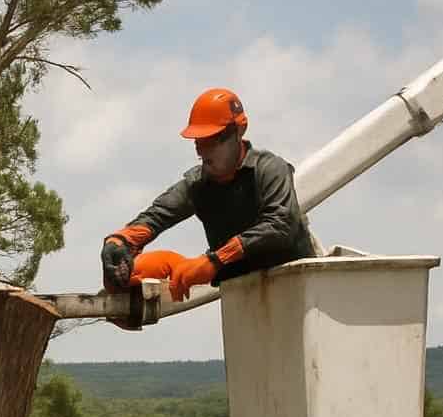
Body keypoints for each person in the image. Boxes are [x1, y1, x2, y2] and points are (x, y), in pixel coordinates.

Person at [100, 88, 318, 302]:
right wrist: (118, 242)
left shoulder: (269, 169)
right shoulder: (198, 184)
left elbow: (280, 225)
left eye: (212, 140)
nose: (202, 152)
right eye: (198, 142)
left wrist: (215, 260)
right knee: (144, 266)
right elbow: (157, 215)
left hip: (300, 288)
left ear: (238, 131)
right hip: (242, 297)